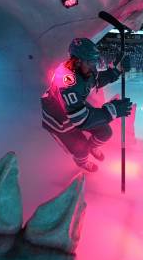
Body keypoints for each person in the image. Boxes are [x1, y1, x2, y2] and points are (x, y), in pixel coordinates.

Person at [41, 38, 133, 172]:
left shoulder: (84, 68)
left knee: (105, 132)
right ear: (77, 61)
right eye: (91, 62)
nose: (94, 66)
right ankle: (82, 161)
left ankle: (91, 147)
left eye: (95, 61)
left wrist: (116, 71)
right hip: (59, 120)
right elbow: (80, 120)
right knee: (81, 148)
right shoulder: (66, 81)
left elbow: (93, 81)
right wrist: (111, 111)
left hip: (75, 109)